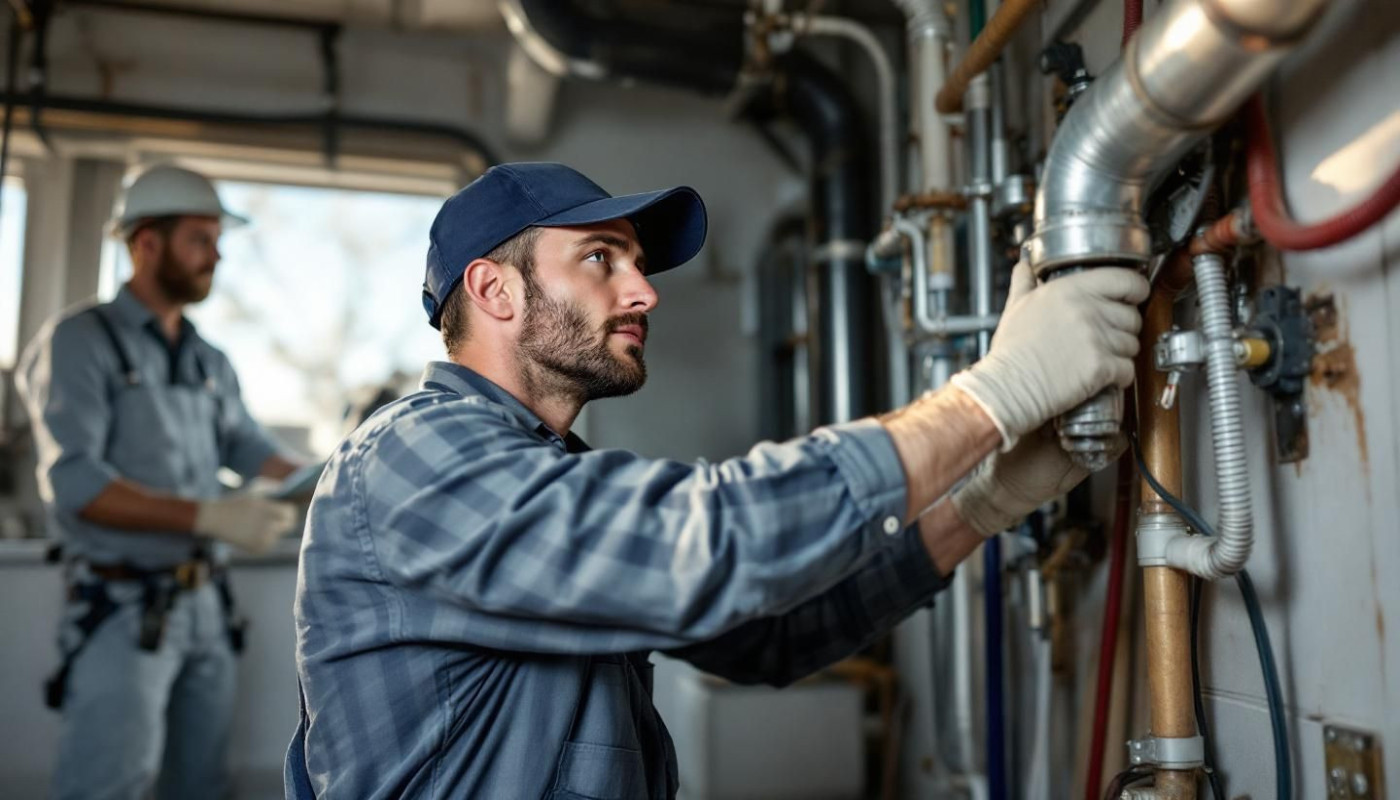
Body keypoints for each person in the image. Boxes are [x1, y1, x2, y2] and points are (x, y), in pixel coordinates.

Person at [286, 162, 1148, 798]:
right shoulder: (411, 456)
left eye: (638, 264)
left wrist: (985, 500)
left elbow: (767, 634)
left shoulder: (545, 477)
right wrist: (992, 397)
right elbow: (700, 548)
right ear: (494, 289)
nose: (644, 292)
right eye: (600, 258)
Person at [17, 164, 304, 800]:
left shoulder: (208, 359)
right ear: (147, 242)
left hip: (207, 608)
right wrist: (208, 516)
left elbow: (251, 448)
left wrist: (331, 476)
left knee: (201, 786)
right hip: (121, 609)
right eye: (201, 238)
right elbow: (77, 484)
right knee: (107, 787)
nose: (217, 254)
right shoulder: (78, 342)